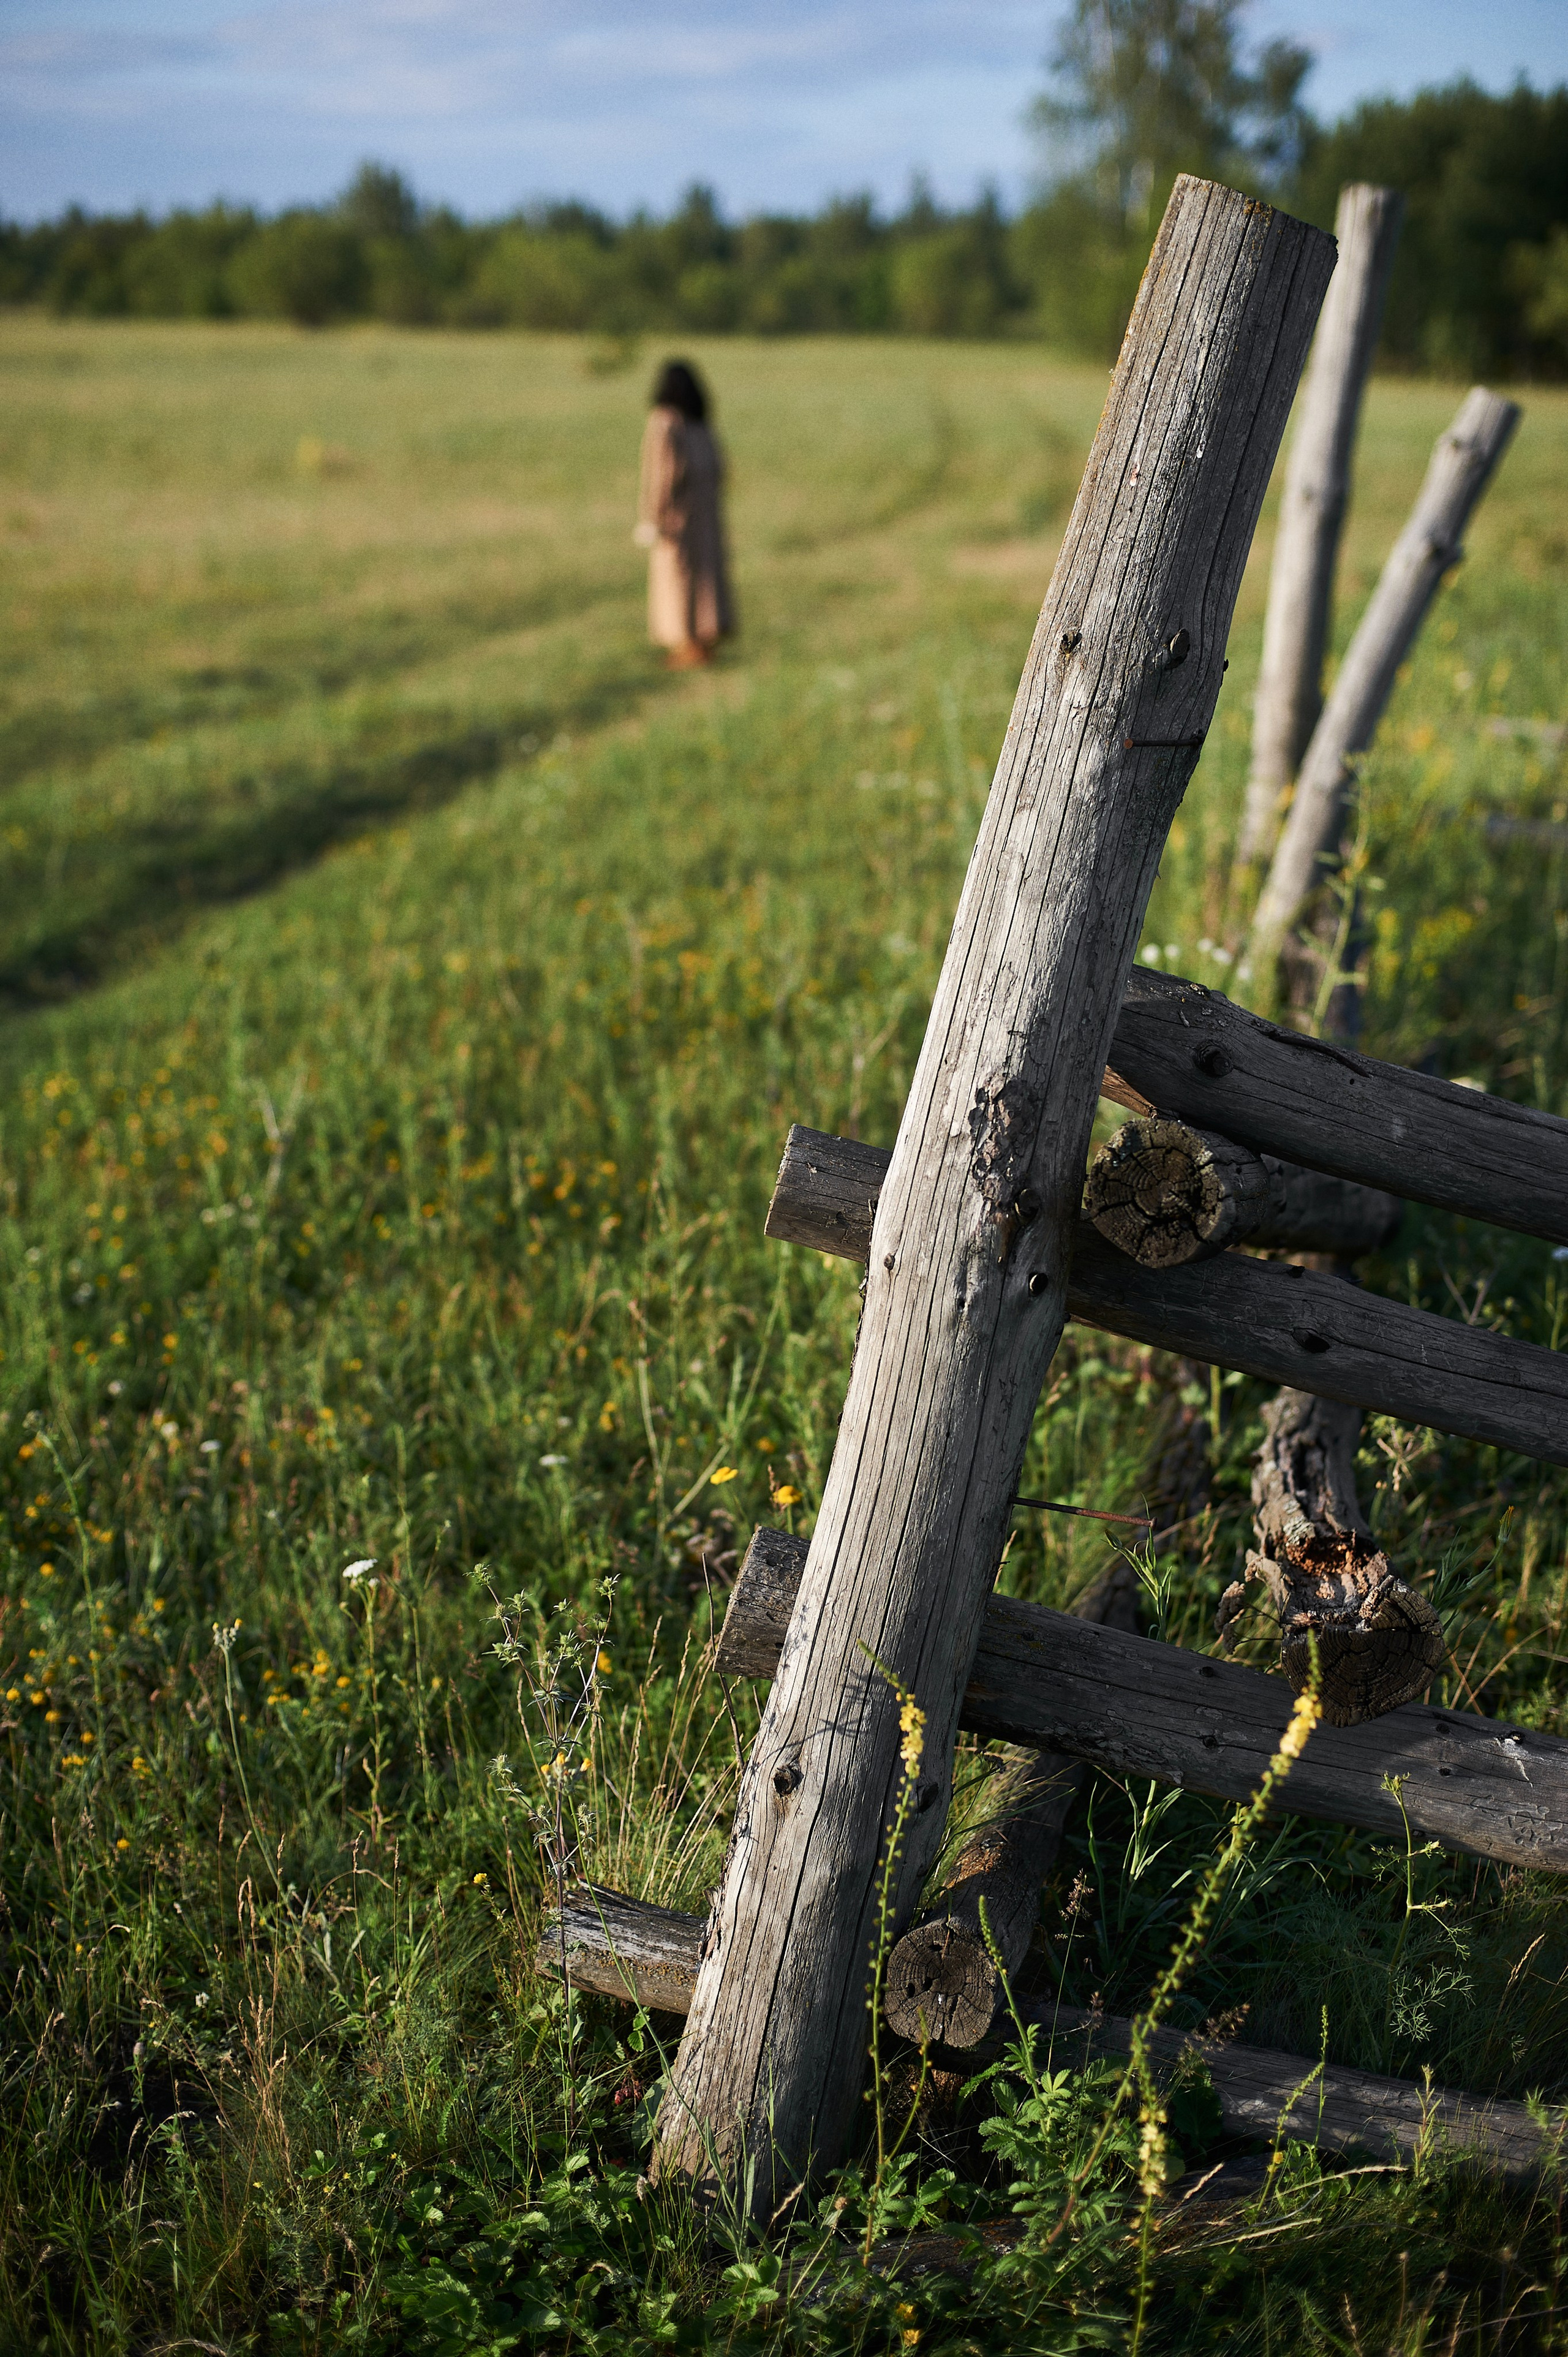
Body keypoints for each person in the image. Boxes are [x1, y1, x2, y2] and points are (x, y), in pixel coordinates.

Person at [634, 358, 733, 670]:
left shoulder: (664, 422)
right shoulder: (701, 424)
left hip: (678, 517)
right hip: (707, 515)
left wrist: (652, 517)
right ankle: (706, 636)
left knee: (677, 577)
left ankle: (686, 642)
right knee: (707, 573)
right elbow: (719, 468)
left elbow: (662, 474)